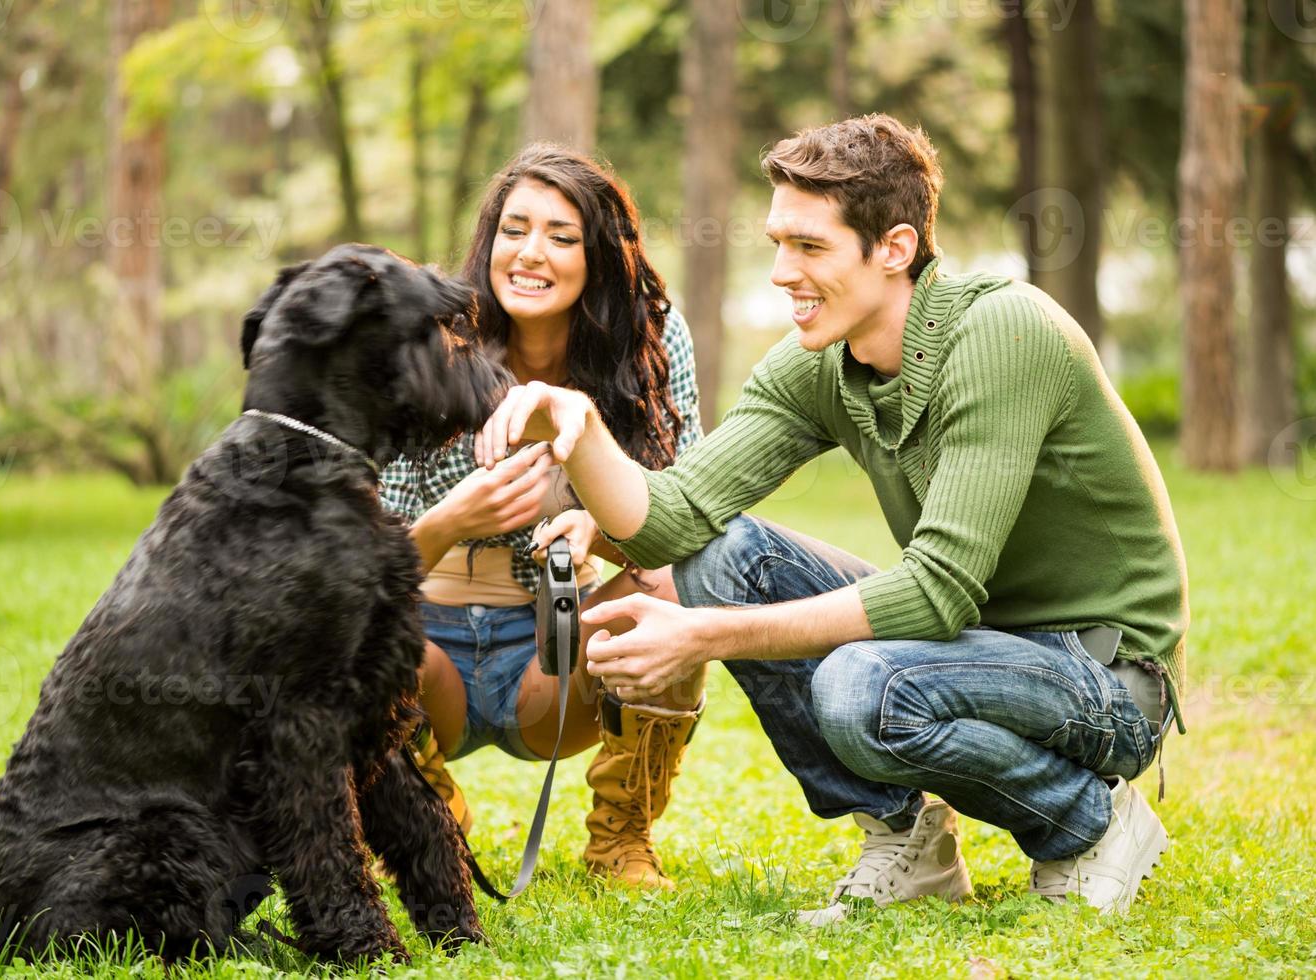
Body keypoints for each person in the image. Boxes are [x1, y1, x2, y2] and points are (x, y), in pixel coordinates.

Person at [474, 115, 1188, 921]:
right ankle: (906, 837)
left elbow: (935, 596)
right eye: (779, 242)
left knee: (859, 686)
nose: (782, 273)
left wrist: (701, 634)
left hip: (1106, 673)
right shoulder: (818, 361)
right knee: (723, 556)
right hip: (982, 648)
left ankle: (1092, 824)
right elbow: (673, 519)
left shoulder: (1003, 332)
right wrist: (577, 427)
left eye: (810, 248)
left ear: (895, 247)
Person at [378, 144, 706, 890]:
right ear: (488, 239)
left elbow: (690, 502)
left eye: (561, 237)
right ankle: (429, 826)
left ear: (599, 257)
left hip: (554, 658)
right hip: (431, 659)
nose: (531, 254)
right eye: (514, 229)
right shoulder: (430, 341)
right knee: (342, 629)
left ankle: (621, 838)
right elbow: (371, 558)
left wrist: (610, 527)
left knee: (677, 588)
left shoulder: (650, 336)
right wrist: (454, 519)